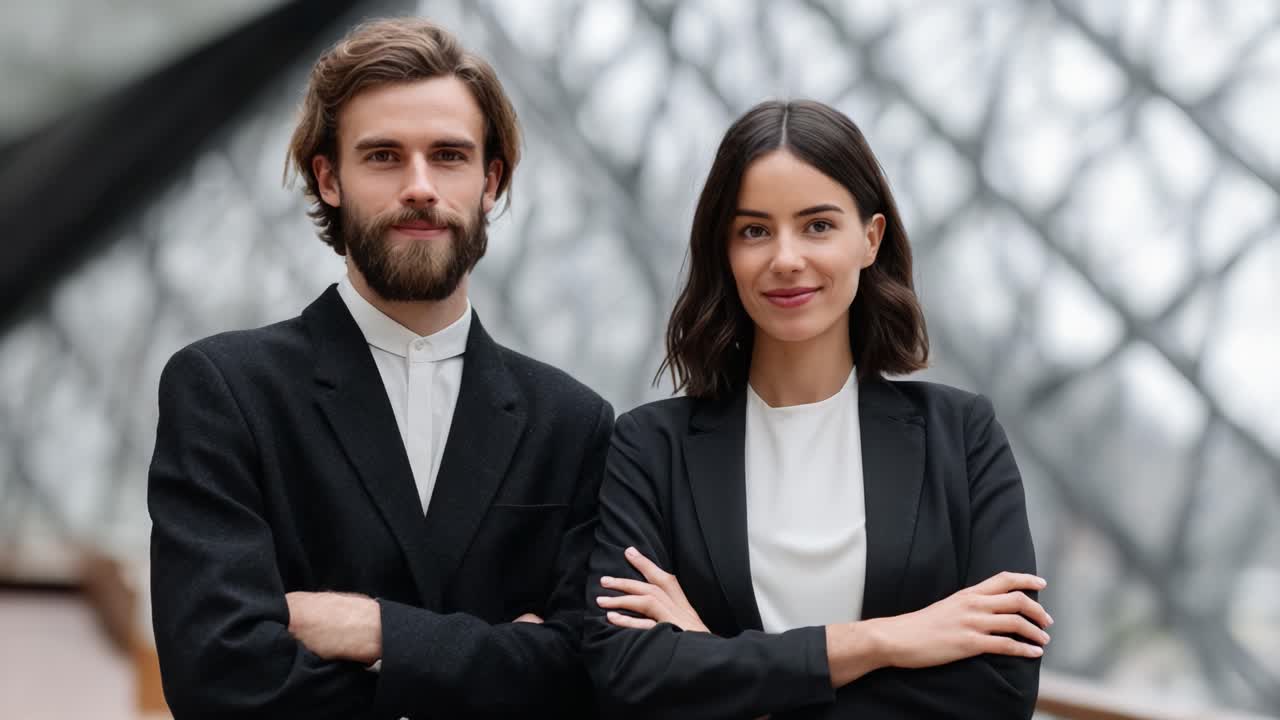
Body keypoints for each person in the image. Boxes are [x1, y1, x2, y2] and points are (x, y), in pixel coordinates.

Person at [148, 18, 612, 719]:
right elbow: (219, 680)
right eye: (385, 156)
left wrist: (372, 632)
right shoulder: (226, 392)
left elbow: (586, 677)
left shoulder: (574, 424)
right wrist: (495, 666)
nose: (420, 187)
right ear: (329, 177)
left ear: (491, 181)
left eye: (449, 156)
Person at [583, 100, 1048, 719]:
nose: (785, 258)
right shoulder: (650, 447)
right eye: (754, 230)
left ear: (870, 238)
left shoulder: (961, 438)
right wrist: (883, 640)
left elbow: (1001, 690)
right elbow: (625, 671)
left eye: (818, 225)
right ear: (725, 251)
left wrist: (716, 665)